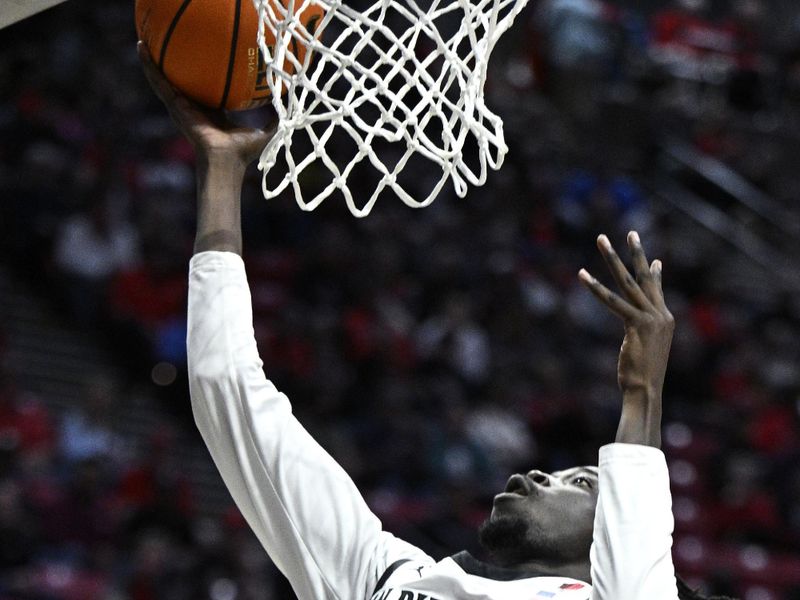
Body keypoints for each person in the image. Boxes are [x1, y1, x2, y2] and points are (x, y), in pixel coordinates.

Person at [138, 41, 730, 600]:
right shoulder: (385, 577)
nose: (534, 476)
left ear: (612, 543)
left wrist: (642, 392)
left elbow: (638, 561)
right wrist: (219, 171)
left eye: (580, 483)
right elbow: (226, 386)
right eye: (563, 474)